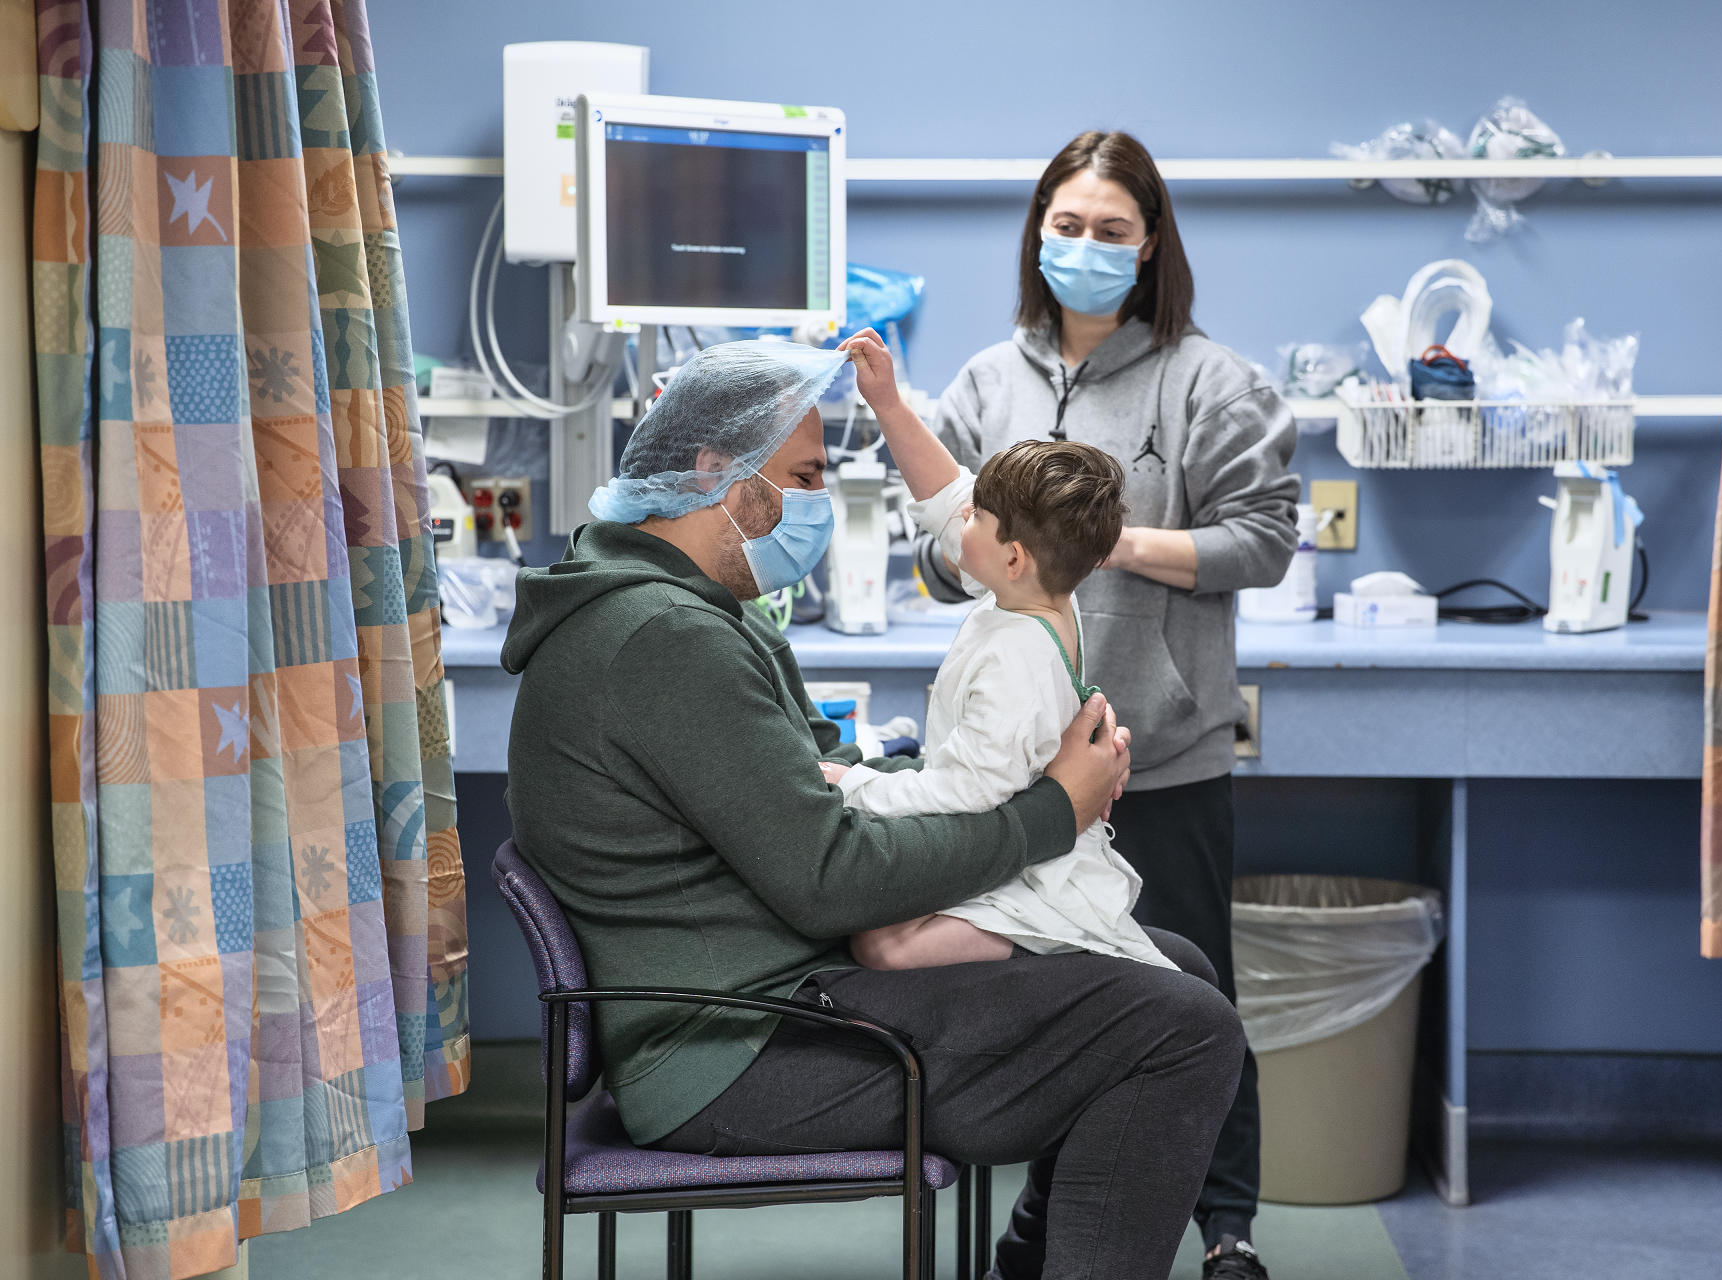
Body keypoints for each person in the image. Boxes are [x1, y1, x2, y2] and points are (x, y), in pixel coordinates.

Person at [503, 339, 1248, 1280]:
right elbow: (829, 882)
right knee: (1184, 1025)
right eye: (805, 476)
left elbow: (810, 767)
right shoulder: (662, 639)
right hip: (736, 1047)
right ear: (718, 476)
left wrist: (925, 767)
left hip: (768, 993)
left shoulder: (698, 609)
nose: (820, 501)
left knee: (1164, 965)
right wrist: (1054, 811)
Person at [912, 130, 1300, 1279]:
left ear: (1151, 243)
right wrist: (965, 545)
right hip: (1025, 778)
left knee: (1191, 998)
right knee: (1061, 1009)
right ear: (1040, 233)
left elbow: (1266, 540)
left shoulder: (1214, 382)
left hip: (1161, 758)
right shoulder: (986, 382)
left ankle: (1228, 1229)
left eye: (1111, 230)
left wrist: (1104, 538)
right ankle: (1052, 1227)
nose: (1085, 246)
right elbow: (940, 554)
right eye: (1067, 225)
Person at [827, 329, 1171, 973]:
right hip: (1025, 822)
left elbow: (965, 791)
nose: (962, 518)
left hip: (1034, 869)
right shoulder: (1040, 595)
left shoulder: (1015, 655)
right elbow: (946, 494)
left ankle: (1053, 950)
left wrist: (857, 787)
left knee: (882, 945)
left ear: (1012, 556)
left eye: (977, 515)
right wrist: (889, 405)